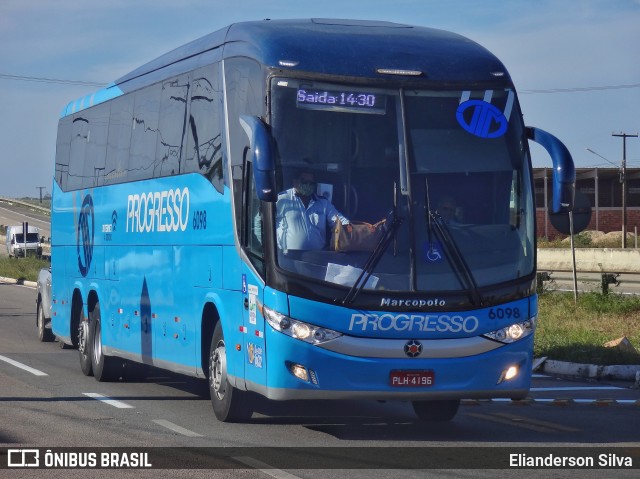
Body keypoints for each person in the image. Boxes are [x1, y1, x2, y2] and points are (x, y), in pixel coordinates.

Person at [276, 170, 350, 251]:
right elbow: (261, 222)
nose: (308, 185)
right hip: (286, 259)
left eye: (311, 183)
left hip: (318, 256)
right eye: (304, 181)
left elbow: (339, 220)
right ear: (295, 182)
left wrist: (352, 229)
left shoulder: (323, 203)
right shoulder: (281, 199)